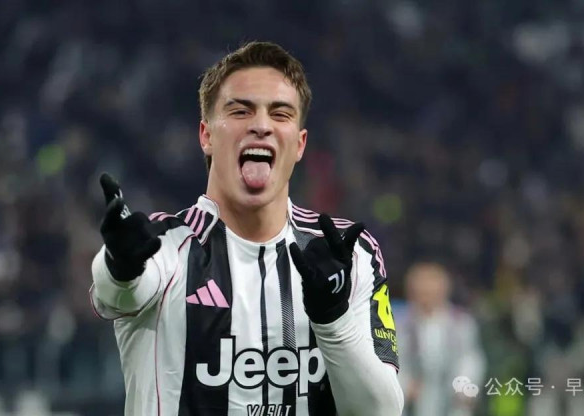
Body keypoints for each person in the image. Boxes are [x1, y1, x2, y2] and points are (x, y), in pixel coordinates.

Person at [90, 41, 403, 416]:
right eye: (240, 111)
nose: (261, 126)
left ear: (299, 144)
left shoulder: (347, 253)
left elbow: (381, 411)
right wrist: (119, 264)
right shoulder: (163, 246)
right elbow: (116, 293)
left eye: (280, 114)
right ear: (206, 136)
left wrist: (332, 318)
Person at [397, 262, 485, 416]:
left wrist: (463, 387)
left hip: (450, 398)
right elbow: (391, 362)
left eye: (430, 289)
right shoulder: (399, 324)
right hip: (411, 400)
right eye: (421, 290)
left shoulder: (461, 322)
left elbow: (469, 359)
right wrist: (402, 385)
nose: (426, 294)